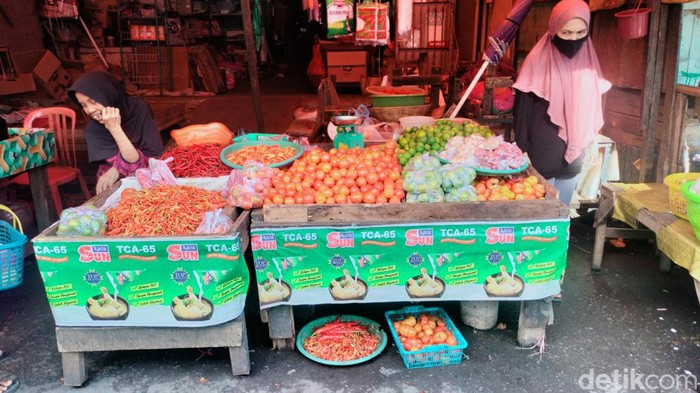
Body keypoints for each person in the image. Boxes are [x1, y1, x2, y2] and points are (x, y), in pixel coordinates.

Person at [512, 0, 611, 206]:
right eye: (566, 33)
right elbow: (522, 110)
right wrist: (521, 147)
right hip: (543, 146)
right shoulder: (537, 60)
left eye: (580, 33)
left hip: (576, 147)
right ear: (554, 29)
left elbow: (593, 105)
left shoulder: (589, 63)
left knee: (563, 208)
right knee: (542, 204)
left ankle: (562, 236)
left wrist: (590, 141)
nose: (573, 39)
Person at [68, 71, 164, 194]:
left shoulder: (139, 108)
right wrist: (115, 129)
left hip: (149, 174)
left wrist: (116, 168)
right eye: (83, 105)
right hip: (117, 184)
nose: (90, 110)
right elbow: (133, 165)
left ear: (108, 94)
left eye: (93, 101)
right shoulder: (93, 130)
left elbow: (155, 153)